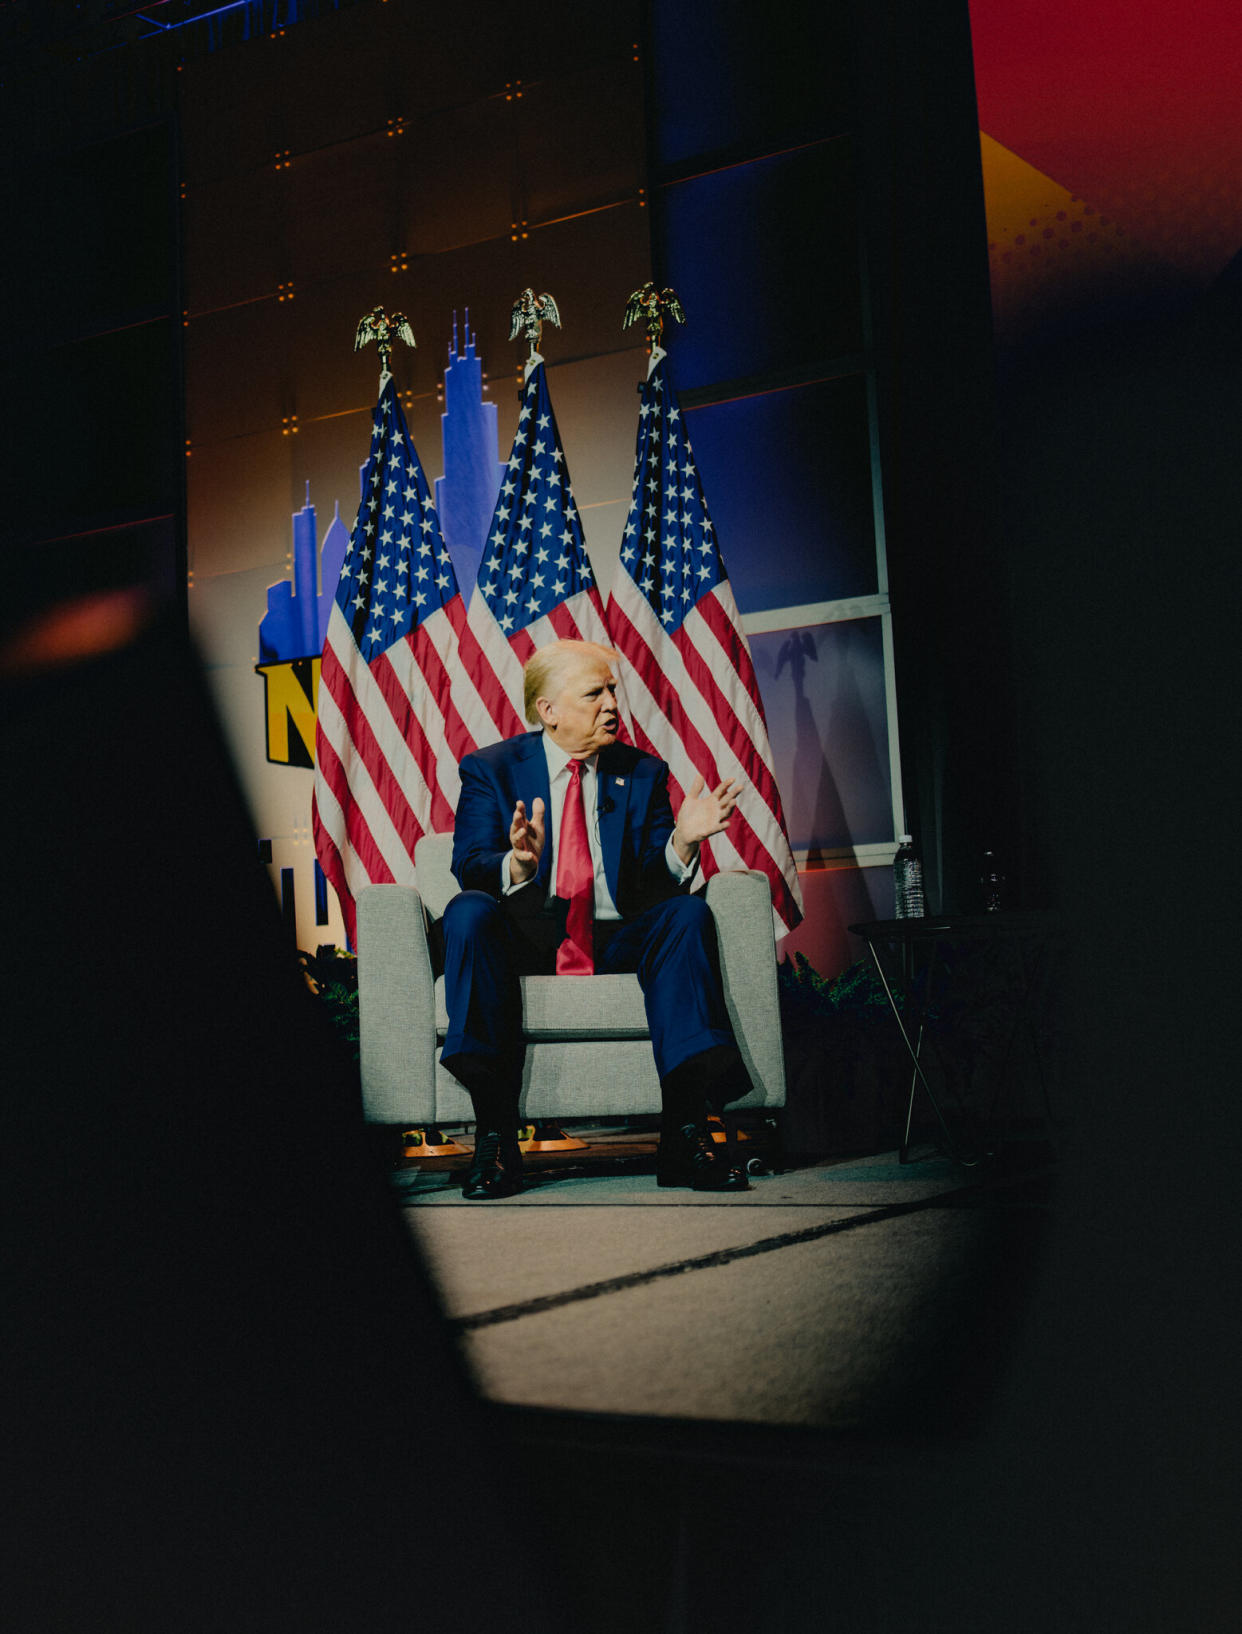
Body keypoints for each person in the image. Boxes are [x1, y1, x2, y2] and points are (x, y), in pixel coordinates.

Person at [441, 638, 754, 1199]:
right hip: (528, 932)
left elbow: (653, 888)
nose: (612, 704)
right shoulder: (491, 769)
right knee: (468, 911)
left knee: (685, 914)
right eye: (595, 693)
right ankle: (494, 1137)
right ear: (549, 710)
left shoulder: (642, 773)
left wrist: (682, 842)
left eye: (613, 690)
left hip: (615, 934)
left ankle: (684, 1133)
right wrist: (516, 862)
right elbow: (468, 864)